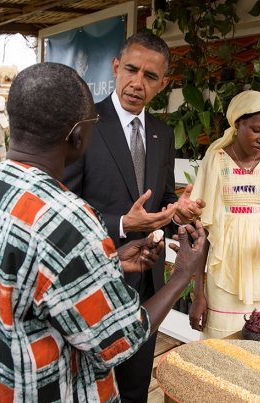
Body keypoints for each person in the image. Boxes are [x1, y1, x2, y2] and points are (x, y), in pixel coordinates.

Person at [0, 62, 207, 403]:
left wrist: (108, 265)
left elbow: (19, 279)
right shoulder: (69, 219)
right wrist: (182, 274)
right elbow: (122, 338)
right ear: (78, 135)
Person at [62, 32, 205, 403]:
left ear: (163, 83)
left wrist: (179, 213)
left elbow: (165, 201)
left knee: (135, 389)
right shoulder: (83, 124)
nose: (137, 83)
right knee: (89, 389)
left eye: (150, 76)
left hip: (147, 286)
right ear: (115, 67)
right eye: (130, 69)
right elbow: (64, 208)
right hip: (95, 277)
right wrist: (123, 225)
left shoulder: (162, 133)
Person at [187, 90, 260, 339]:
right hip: (223, 274)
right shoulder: (215, 161)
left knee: (259, 343)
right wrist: (198, 294)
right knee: (221, 345)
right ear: (238, 123)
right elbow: (203, 233)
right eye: (257, 130)